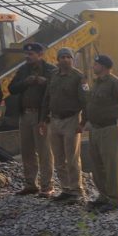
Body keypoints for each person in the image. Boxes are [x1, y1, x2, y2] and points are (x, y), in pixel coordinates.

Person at [85, 55, 118, 213]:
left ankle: (114, 199)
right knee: (97, 163)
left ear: (104, 66)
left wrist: (116, 113)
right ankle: (103, 195)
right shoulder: (97, 82)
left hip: (109, 128)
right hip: (95, 128)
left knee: (111, 164)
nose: (94, 66)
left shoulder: (115, 83)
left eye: (96, 64)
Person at [39, 47, 87, 203]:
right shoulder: (53, 76)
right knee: (59, 157)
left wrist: (83, 122)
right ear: (57, 60)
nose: (65, 59)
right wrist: (43, 119)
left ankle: (76, 190)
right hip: (54, 120)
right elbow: (46, 98)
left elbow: (86, 102)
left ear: (72, 60)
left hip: (71, 120)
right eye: (62, 57)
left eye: (68, 57)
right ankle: (65, 189)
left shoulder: (78, 77)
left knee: (72, 157)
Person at [8, 42, 56, 197]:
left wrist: (44, 82)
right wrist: (25, 82)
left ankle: (47, 186)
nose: (27, 57)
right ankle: (30, 184)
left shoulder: (50, 70)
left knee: (44, 151)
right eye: (26, 54)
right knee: (27, 150)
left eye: (31, 54)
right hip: (25, 115)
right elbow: (12, 88)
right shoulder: (23, 70)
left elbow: (58, 89)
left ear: (40, 55)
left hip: (41, 116)